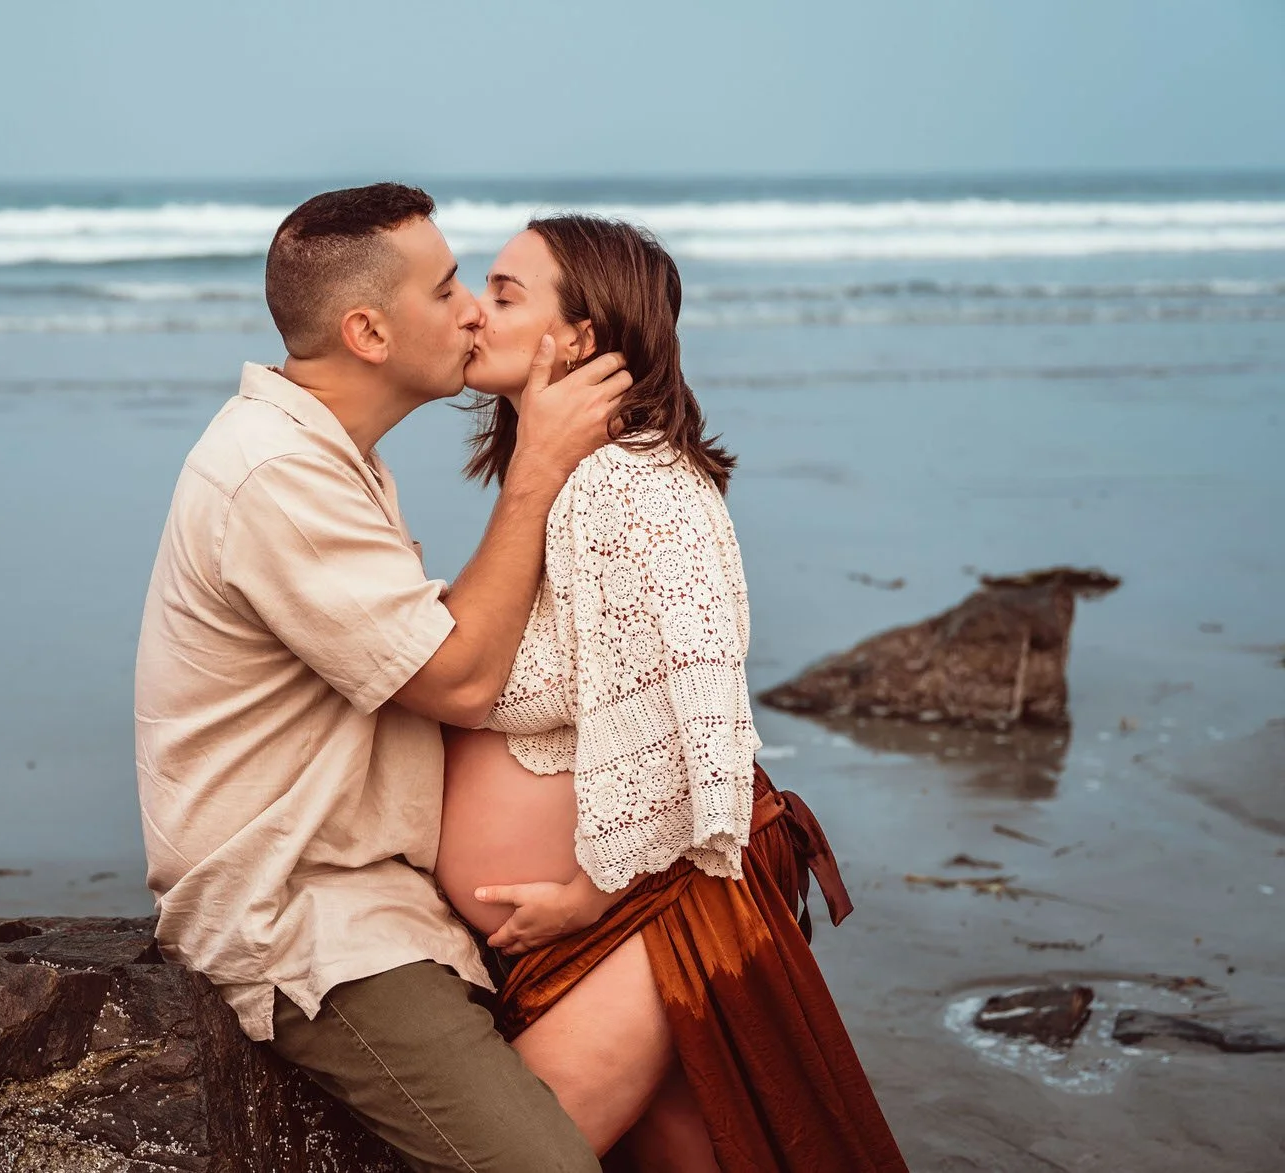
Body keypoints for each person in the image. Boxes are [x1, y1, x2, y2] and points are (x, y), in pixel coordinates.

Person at [133, 184, 634, 1172]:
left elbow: (432, 643)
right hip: (309, 919)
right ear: (367, 331)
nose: (473, 312)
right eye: (447, 289)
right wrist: (534, 467)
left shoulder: (328, 452)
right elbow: (452, 680)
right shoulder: (274, 473)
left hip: (383, 897)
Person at [436, 215, 909, 1171]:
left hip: (653, 915)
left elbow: (703, 701)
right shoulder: (567, 479)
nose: (477, 314)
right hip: (611, 929)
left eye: (506, 291)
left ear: (578, 337)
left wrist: (591, 891)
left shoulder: (629, 482)